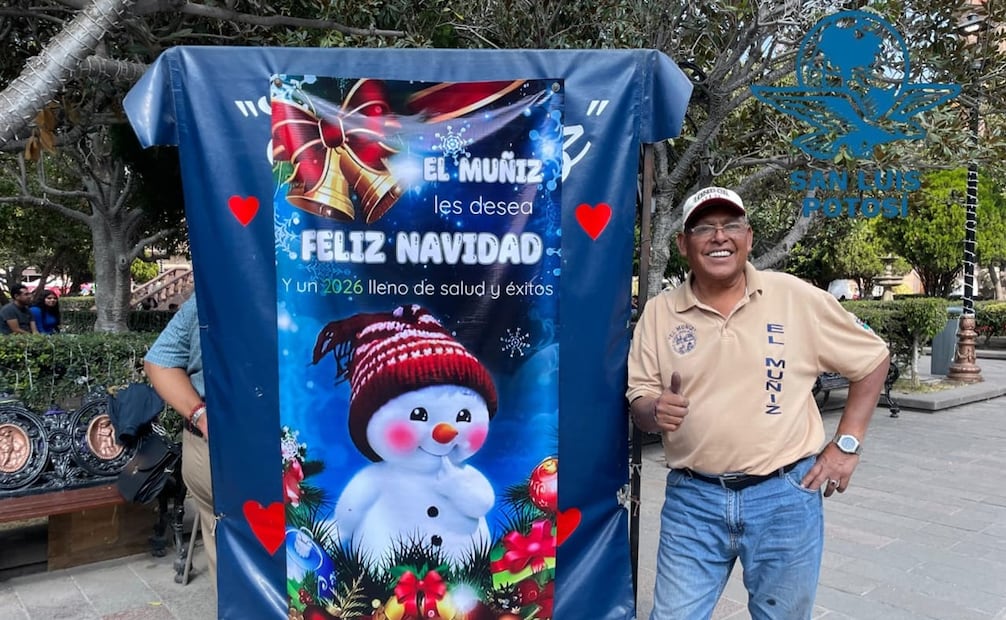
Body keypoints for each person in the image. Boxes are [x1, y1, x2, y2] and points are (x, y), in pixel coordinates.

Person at [627, 187, 890, 619]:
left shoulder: (794, 297)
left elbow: (873, 358)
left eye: (730, 226)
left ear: (748, 237)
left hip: (785, 496)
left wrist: (847, 444)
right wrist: (654, 411)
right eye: (704, 228)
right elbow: (639, 397)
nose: (719, 237)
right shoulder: (659, 313)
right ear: (682, 244)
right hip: (693, 500)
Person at [143, 295, 216, 593]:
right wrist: (202, 416)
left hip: (213, 447)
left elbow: (159, 361)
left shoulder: (213, 289)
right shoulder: (209, 296)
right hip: (219, 449)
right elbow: (159, 361)